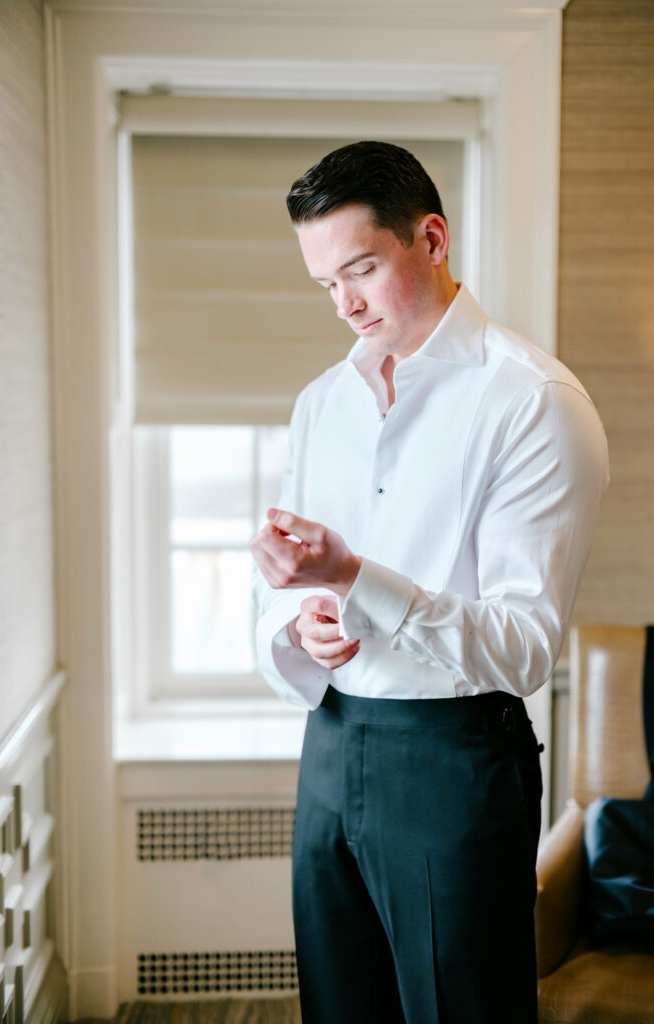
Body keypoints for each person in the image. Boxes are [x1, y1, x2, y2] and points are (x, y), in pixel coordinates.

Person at [250, 140, 608, 1024]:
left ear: (433, 239)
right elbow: (289, 589)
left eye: (362, 269)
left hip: (454, 764)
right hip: (330, 747)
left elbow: (525, 645)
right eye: (326, 285)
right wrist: (299, 624)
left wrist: (353, 575)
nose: (346, 304)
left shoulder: (535, 400)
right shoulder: (319, 404)